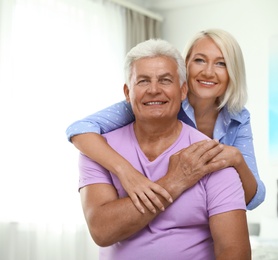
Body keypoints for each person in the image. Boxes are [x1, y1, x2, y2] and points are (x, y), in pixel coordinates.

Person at [78, 38, 251, 259]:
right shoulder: (99, 151)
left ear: (182, 91)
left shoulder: (211, 156)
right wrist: (175, 180)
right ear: (127, 93)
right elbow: (102, 231)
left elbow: (234, 251)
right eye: (142, 81)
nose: (153, 90)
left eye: (165, 80)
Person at [67, 28, 265, 214]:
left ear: (233, 72)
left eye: (221, 63)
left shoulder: (238, 118)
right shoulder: (159, 103)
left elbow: (252, 199)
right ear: (186, 66)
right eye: (199, 60)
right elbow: (80, 129)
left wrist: (237, 159)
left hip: (213, 219)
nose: (208, 72)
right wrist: (125, 172)